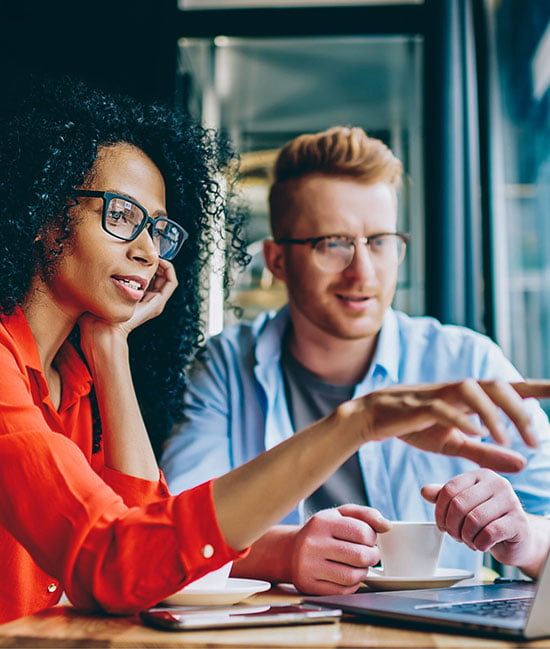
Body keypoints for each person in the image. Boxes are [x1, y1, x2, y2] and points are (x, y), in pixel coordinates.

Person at [0, 79, 547, 624]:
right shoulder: (214, 366)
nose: (146, 250)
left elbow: (151, 545)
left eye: (158, 229)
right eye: (121, 215)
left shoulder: (75, 379)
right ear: (41, 210)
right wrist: (358, 423)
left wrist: (111, 343)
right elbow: (135, 557)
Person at [161, 126, 550, 595]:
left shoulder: (466, 360)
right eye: (334, 243)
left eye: (381, 241)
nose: (362, 271)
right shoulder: (226, 366)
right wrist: (284, 554)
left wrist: (523, 537)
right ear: (277, 261)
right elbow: (174, 533)